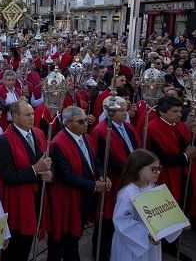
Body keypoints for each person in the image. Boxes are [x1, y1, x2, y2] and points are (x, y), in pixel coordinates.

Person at [47, 106, 110, 261]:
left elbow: (95, 160)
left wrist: (101, 175)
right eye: (80, 121)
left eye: (85, 119)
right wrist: (94, 186)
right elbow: (66, 176)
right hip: (67, 201)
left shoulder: (85, 137)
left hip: (83, 197)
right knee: (61, 243)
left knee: (75, 238)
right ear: (68, 123)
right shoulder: (58, 143)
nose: (85, 124)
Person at [147, 96, 196, 259]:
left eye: (180, 111)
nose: (180, 114)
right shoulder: (153, 128)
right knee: (168, 212)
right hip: (167, 177)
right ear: (162, 112)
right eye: (174, 111)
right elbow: (160, 158)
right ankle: (170, 245)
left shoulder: (180, 126)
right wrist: (185, 156)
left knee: (182, 207)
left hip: (185, 174)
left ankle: (176, 241)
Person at [0, 100, 51, 261]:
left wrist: (49, 173)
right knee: (14, 249)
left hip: (37, 197)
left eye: (32, 114)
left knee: (27, 246)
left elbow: (46, 161)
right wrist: (34, 169)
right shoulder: (5, 140)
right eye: (27, 115)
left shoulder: (38, 133)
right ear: (15, 117)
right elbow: (7, 176)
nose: (32, 118)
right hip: (17, 203)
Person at [90, 96, 141, 261]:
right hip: (114, 180)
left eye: (125, 110)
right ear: (109, 112)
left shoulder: (129, 128)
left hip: (131, 178)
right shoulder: (100, 130)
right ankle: (100, 252)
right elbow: (100, 158)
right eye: (121, 110)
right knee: (106, 219)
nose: (125, 113)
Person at [111, 149, 184, 261]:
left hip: (152, 242)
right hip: (132, 243)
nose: (158, 172)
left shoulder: (153, 187)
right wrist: (146, 234)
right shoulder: (127, 193)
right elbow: (121, 221)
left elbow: (163, 211)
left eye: (159, 168)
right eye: (153, 169)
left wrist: (179, 223)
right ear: (139, 170)